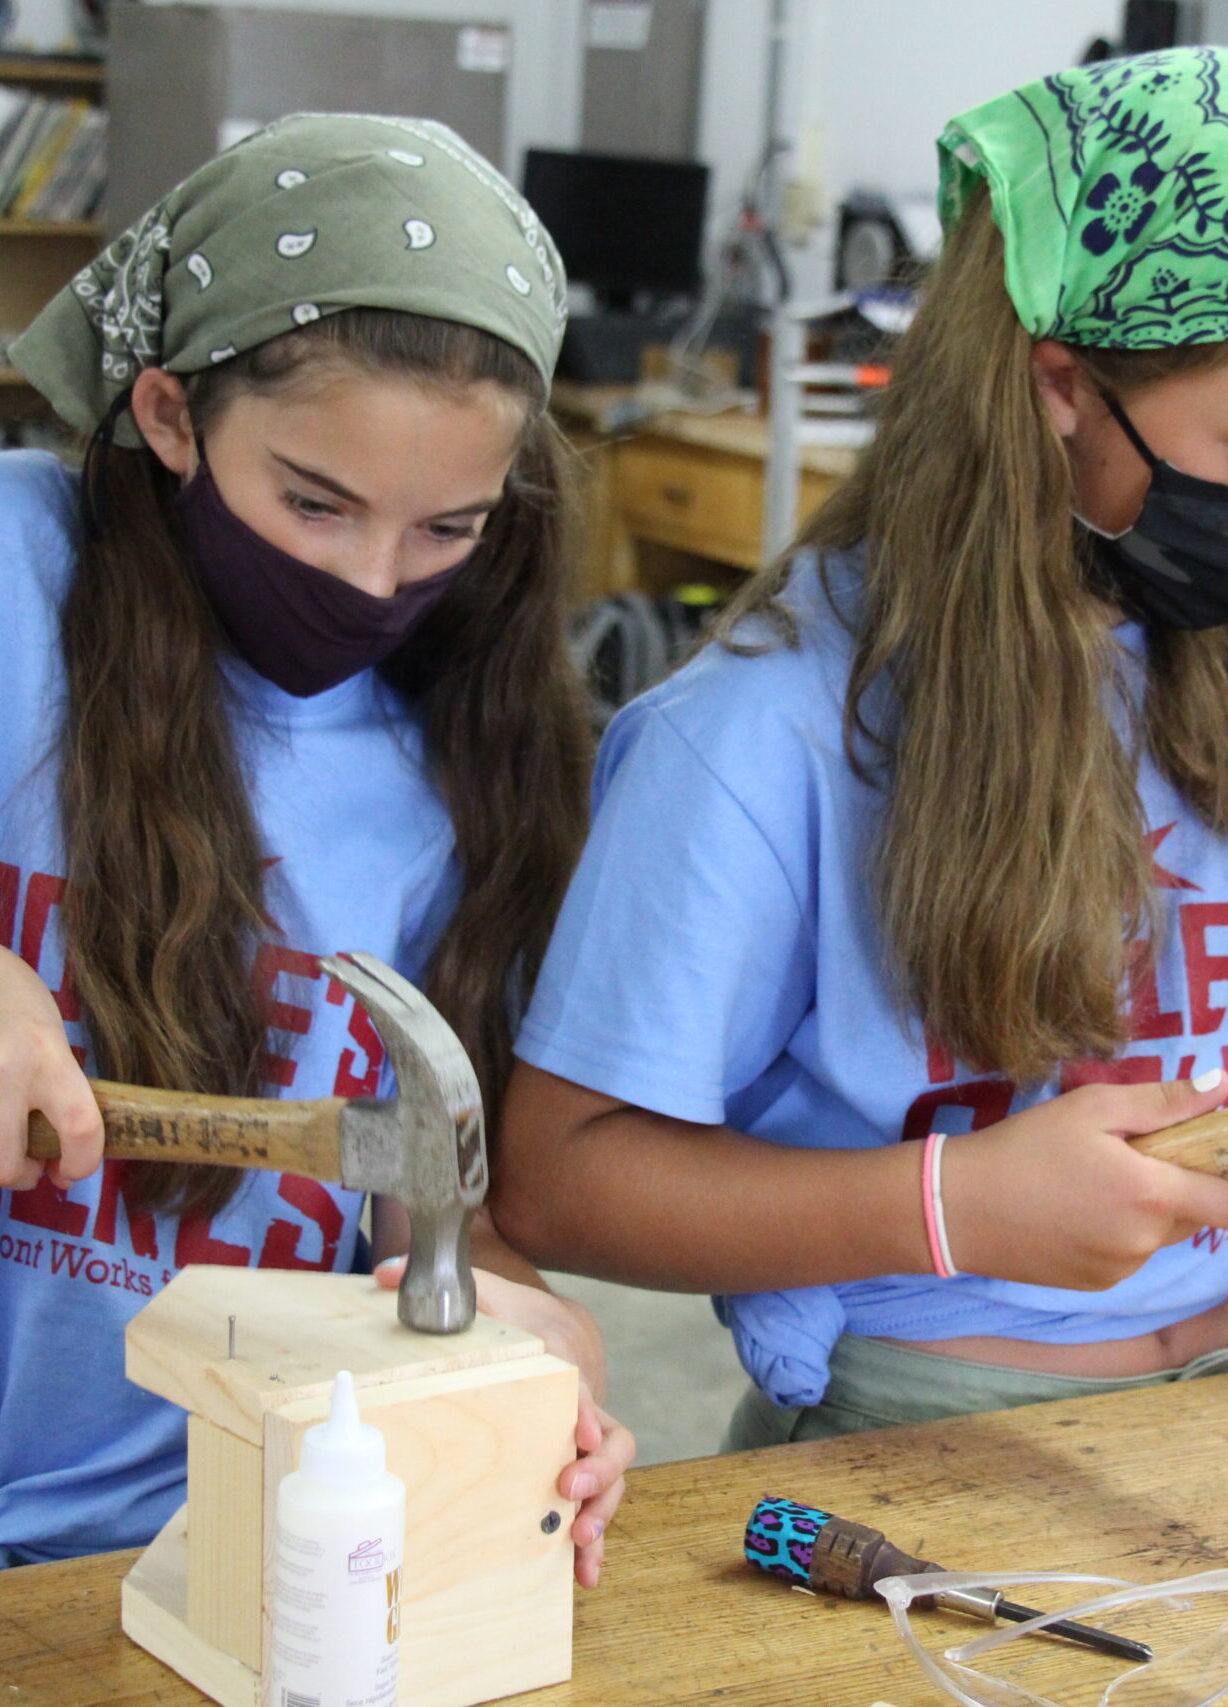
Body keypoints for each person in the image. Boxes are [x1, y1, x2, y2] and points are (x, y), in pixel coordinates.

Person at [487, 49, 1228, 1448]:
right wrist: (951, 1204)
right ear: (1059, 383)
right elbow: (561, 1179)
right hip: (917, 1435)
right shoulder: (761, 737)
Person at [0, 114, 630, 1574]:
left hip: (226, 1534)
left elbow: (426, 1193)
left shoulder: (476, 745)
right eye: (313, 501)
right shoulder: (22, 579)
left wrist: (534, 1332)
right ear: (169, 416)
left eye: (446, 527)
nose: (370, 580)